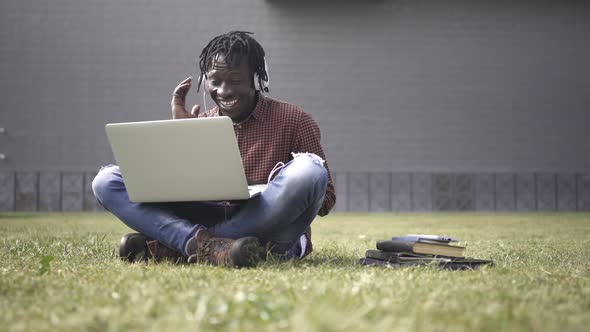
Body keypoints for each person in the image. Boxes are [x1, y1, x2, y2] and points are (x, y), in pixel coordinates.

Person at [92, 31, 336, 268]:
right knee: (106, 180)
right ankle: (210, 247)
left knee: (310, 171)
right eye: (215, 81)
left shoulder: (294, 119)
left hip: (268, 228)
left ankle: (180, 244)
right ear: (204, 81)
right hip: (205, 215)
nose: (223, 91)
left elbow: (325, 198)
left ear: (259, 79)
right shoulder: (198, 123)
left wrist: (265, 188)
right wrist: (181, 139)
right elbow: (176, 188)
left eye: (235, 81)